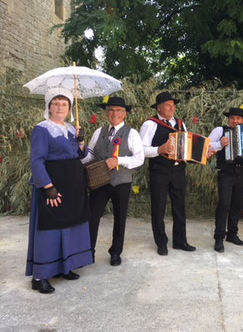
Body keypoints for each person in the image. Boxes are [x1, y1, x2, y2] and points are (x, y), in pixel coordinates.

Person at [26, 88, 93, 293]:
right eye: (55, 103)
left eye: (64, 104)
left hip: (73, 185)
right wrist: (48, 187)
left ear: (70, 108)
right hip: (53, 186)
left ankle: (65, 266)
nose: (60, 107)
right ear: (49, 107)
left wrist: (81, 141)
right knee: (49, 229)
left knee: (70, 226)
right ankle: (40, 276)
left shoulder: (72, 129)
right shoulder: (42, 129)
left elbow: (81, 156)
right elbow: (36, 161)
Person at [82, 97, 144, 266]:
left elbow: (139, 159)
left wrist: (119, 160)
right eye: (110, 110)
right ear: (106, 112)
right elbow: (89, 155)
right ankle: (88, 251)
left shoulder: (132, 133)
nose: (114, 113)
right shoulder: (98, 132)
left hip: (121, 182)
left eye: (118, 110)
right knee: (92, 216)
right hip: (99, 182)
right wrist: (79, 151)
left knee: (120, 218)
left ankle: (116, 252)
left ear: (125, 113)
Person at [139, 91, 195, 256]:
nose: (172, 108)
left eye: (173, 105)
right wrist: (159, 149)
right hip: (159, 171)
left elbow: (186, 145)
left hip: (178, 170)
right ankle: (161, 243)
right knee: (158, 207)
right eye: (168, 105)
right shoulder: (150, 124)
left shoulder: (180, 123)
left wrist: (197, 154)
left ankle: (180, 241)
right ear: (159, 108)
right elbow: (141, 150)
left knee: (180, 206)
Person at [207, 107, 243, 253]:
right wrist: (220, 143)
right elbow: (206, 145)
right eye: (232, 118)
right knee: (224, 204)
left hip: (242, 173)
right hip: (226, 173)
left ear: (242, 120)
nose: (235, 121)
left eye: (238, 118)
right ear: (228, 119)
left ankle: (232, 234)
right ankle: (219, 238)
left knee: (237, 205)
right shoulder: (220, 131)